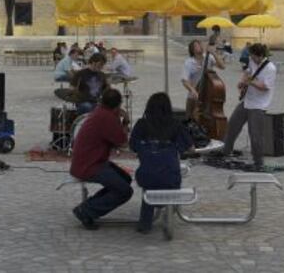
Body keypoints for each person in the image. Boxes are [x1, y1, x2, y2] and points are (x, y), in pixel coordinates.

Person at [130, 92, 194, 233]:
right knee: (170, 179)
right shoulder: (176, 125)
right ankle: (168, 214)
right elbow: (190, 147)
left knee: (150, 184)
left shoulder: (141, 124)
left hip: (145, 175)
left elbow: (132, 146)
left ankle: (145, 224)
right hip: (170, 175)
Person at [70, 88, 133, 230]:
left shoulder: (101, 112)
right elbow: (122, 142)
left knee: (125, 179)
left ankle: (89, 206)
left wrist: (118, 115)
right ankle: (86, 211)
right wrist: (125, 122)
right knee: (125, 191)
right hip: (90, 166)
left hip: (90, 162)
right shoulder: (107, 118)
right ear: (118, 104)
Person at [221, 43, 277, 170]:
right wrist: (242, 81)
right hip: (247, 101)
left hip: (259, 105)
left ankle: (258, 162)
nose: (251, 58)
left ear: (261, 55)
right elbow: (248, 72)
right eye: (250, 55)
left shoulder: (271, 68)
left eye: (253, 56)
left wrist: (250, 82)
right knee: (232, 126)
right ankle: (225, 152)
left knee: (255, 135)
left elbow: (264, 87)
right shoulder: (252, 61)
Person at [181, 39, 225, 118]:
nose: (200, 46)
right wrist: (193, 90)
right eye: (196, 45)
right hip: (194, 97)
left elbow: (222, 66)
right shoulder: (189, 62)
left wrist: (213, 53)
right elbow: (184, 81)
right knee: (189, 119)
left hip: (208, 96)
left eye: (200, 44)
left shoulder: (209, 57)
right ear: (192, 50)